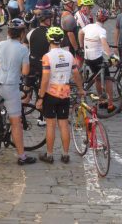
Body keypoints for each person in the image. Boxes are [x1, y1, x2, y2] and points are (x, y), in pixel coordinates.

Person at [0, 18, 36, 165]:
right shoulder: (23, 49)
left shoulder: (0, 44)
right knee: (16, 122)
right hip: (11, 86)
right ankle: (22, 156)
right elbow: (26, 71)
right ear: (22, 33)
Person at [37, 27, 85, 164]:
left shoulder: (47, 57)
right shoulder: (69, 55)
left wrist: (40, 97)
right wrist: (81, 89)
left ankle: (50, 155)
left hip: (51, 94)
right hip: (65, 92)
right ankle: (65, 155)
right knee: (64, 124)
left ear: (48, 39)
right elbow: (76, 74)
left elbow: (45, 79)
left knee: (50, 125)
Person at [79, 8, 117, 113]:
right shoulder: (102, 30)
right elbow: (104, 43)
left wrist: (82, 45)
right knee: (108, 79)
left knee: (97, 78)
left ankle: (101, 101)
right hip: (96, 58)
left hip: (87, 58)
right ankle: (110, 104)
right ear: (105, 20)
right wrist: (111, 55)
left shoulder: (89, 26)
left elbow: (80, 33)